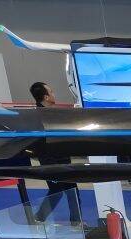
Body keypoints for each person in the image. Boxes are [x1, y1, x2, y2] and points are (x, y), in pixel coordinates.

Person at [29, 82, 82, 226]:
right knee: (59, 190)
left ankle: (75, 222)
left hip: (60, 158)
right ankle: (40, 218)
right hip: (51, 161)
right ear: (46, 97)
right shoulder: (40, 116)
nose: (54, 94)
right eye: (51, 91)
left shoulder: (49, 113)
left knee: (69, 189)